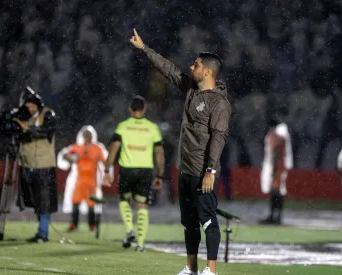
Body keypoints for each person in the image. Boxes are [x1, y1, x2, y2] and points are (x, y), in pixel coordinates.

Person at [130, 29, 231, 275]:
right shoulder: (191, 89)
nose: (190, 66)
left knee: (207, 219)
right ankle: (191, 268)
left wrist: (210, 170)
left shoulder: (219, 103)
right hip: (185, 167)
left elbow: (219, 137)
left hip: (202, 170)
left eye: (195, 64)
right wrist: (145, 49)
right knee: (188, 223)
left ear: (207, 71)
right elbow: (168, 69)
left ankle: (211, 270)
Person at [103, 95, 165, 252]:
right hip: (145, 170)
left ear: (130, 109)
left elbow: (114, 148)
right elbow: (159, 153)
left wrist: (107, 169)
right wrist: (159, 175)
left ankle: (130, 229)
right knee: (142, 205)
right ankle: (141, 244)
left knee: (124, 199)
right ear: (144, 109)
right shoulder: (152, 128)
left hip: (127, 169)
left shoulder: (123, 126)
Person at [14, 87, 58, 243]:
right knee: (35, 200)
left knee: (44, 200)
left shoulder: (48, 115)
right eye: (27, 105)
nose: (29, 108)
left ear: (37, 105)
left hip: (44, 165)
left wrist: (25, 127)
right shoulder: (26, 117)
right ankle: (41, 230)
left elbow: (45, 133)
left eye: (31, 105)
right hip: (28, 164)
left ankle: (43, 233)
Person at [57, 125, 109, 232]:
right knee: (75, 203)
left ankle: (92, 225)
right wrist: (70, 158)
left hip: (91, 181)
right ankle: (74, 224)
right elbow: (64, 155)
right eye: (85, 135)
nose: (87, 137)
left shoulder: (97, 148)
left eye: (88, 135)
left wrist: (106, 175)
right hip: (79, 180)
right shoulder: (77, 147)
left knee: (91, 205)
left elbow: (104, 162)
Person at [259, 118, 293, 225]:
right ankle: (276, 216)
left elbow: (275, 154)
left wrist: (273, 171)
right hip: (280, 166)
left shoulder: (276, 135)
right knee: (278, 192)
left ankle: (274, 216)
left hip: (276, 167)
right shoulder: (283, 135)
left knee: (275, 192)